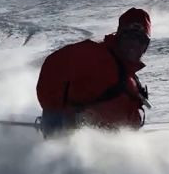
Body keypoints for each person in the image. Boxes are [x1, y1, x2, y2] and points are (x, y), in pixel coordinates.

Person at [36, 8, 152, 138]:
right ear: (119, 36)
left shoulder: (131, 78)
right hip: (74, 142)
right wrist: (54, 113)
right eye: (129, 37)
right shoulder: (95, 55)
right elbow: (54, 66)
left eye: (140, 40)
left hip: (110, 148)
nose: (134, 45)